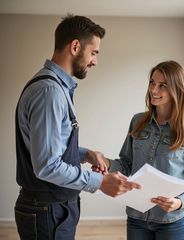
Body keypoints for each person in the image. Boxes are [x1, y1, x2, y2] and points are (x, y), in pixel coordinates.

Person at [14, 14, 140, 240]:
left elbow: (49, 147)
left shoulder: (55, 88)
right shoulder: (49, 92)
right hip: (47, 211)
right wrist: (101, 182)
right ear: (75, 46)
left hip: (52, 209)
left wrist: (86, 154)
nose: (95, 61)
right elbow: (47, 166)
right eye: (94, 53)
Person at [95, 60, 184, 240]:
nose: (154, 90)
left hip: (171, 221)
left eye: (162, 85)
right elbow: (126, 164)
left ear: (177, 89)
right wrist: (105, 162)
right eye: (152, 83)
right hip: (136, 217)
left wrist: (178, 203)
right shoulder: (137, 121)